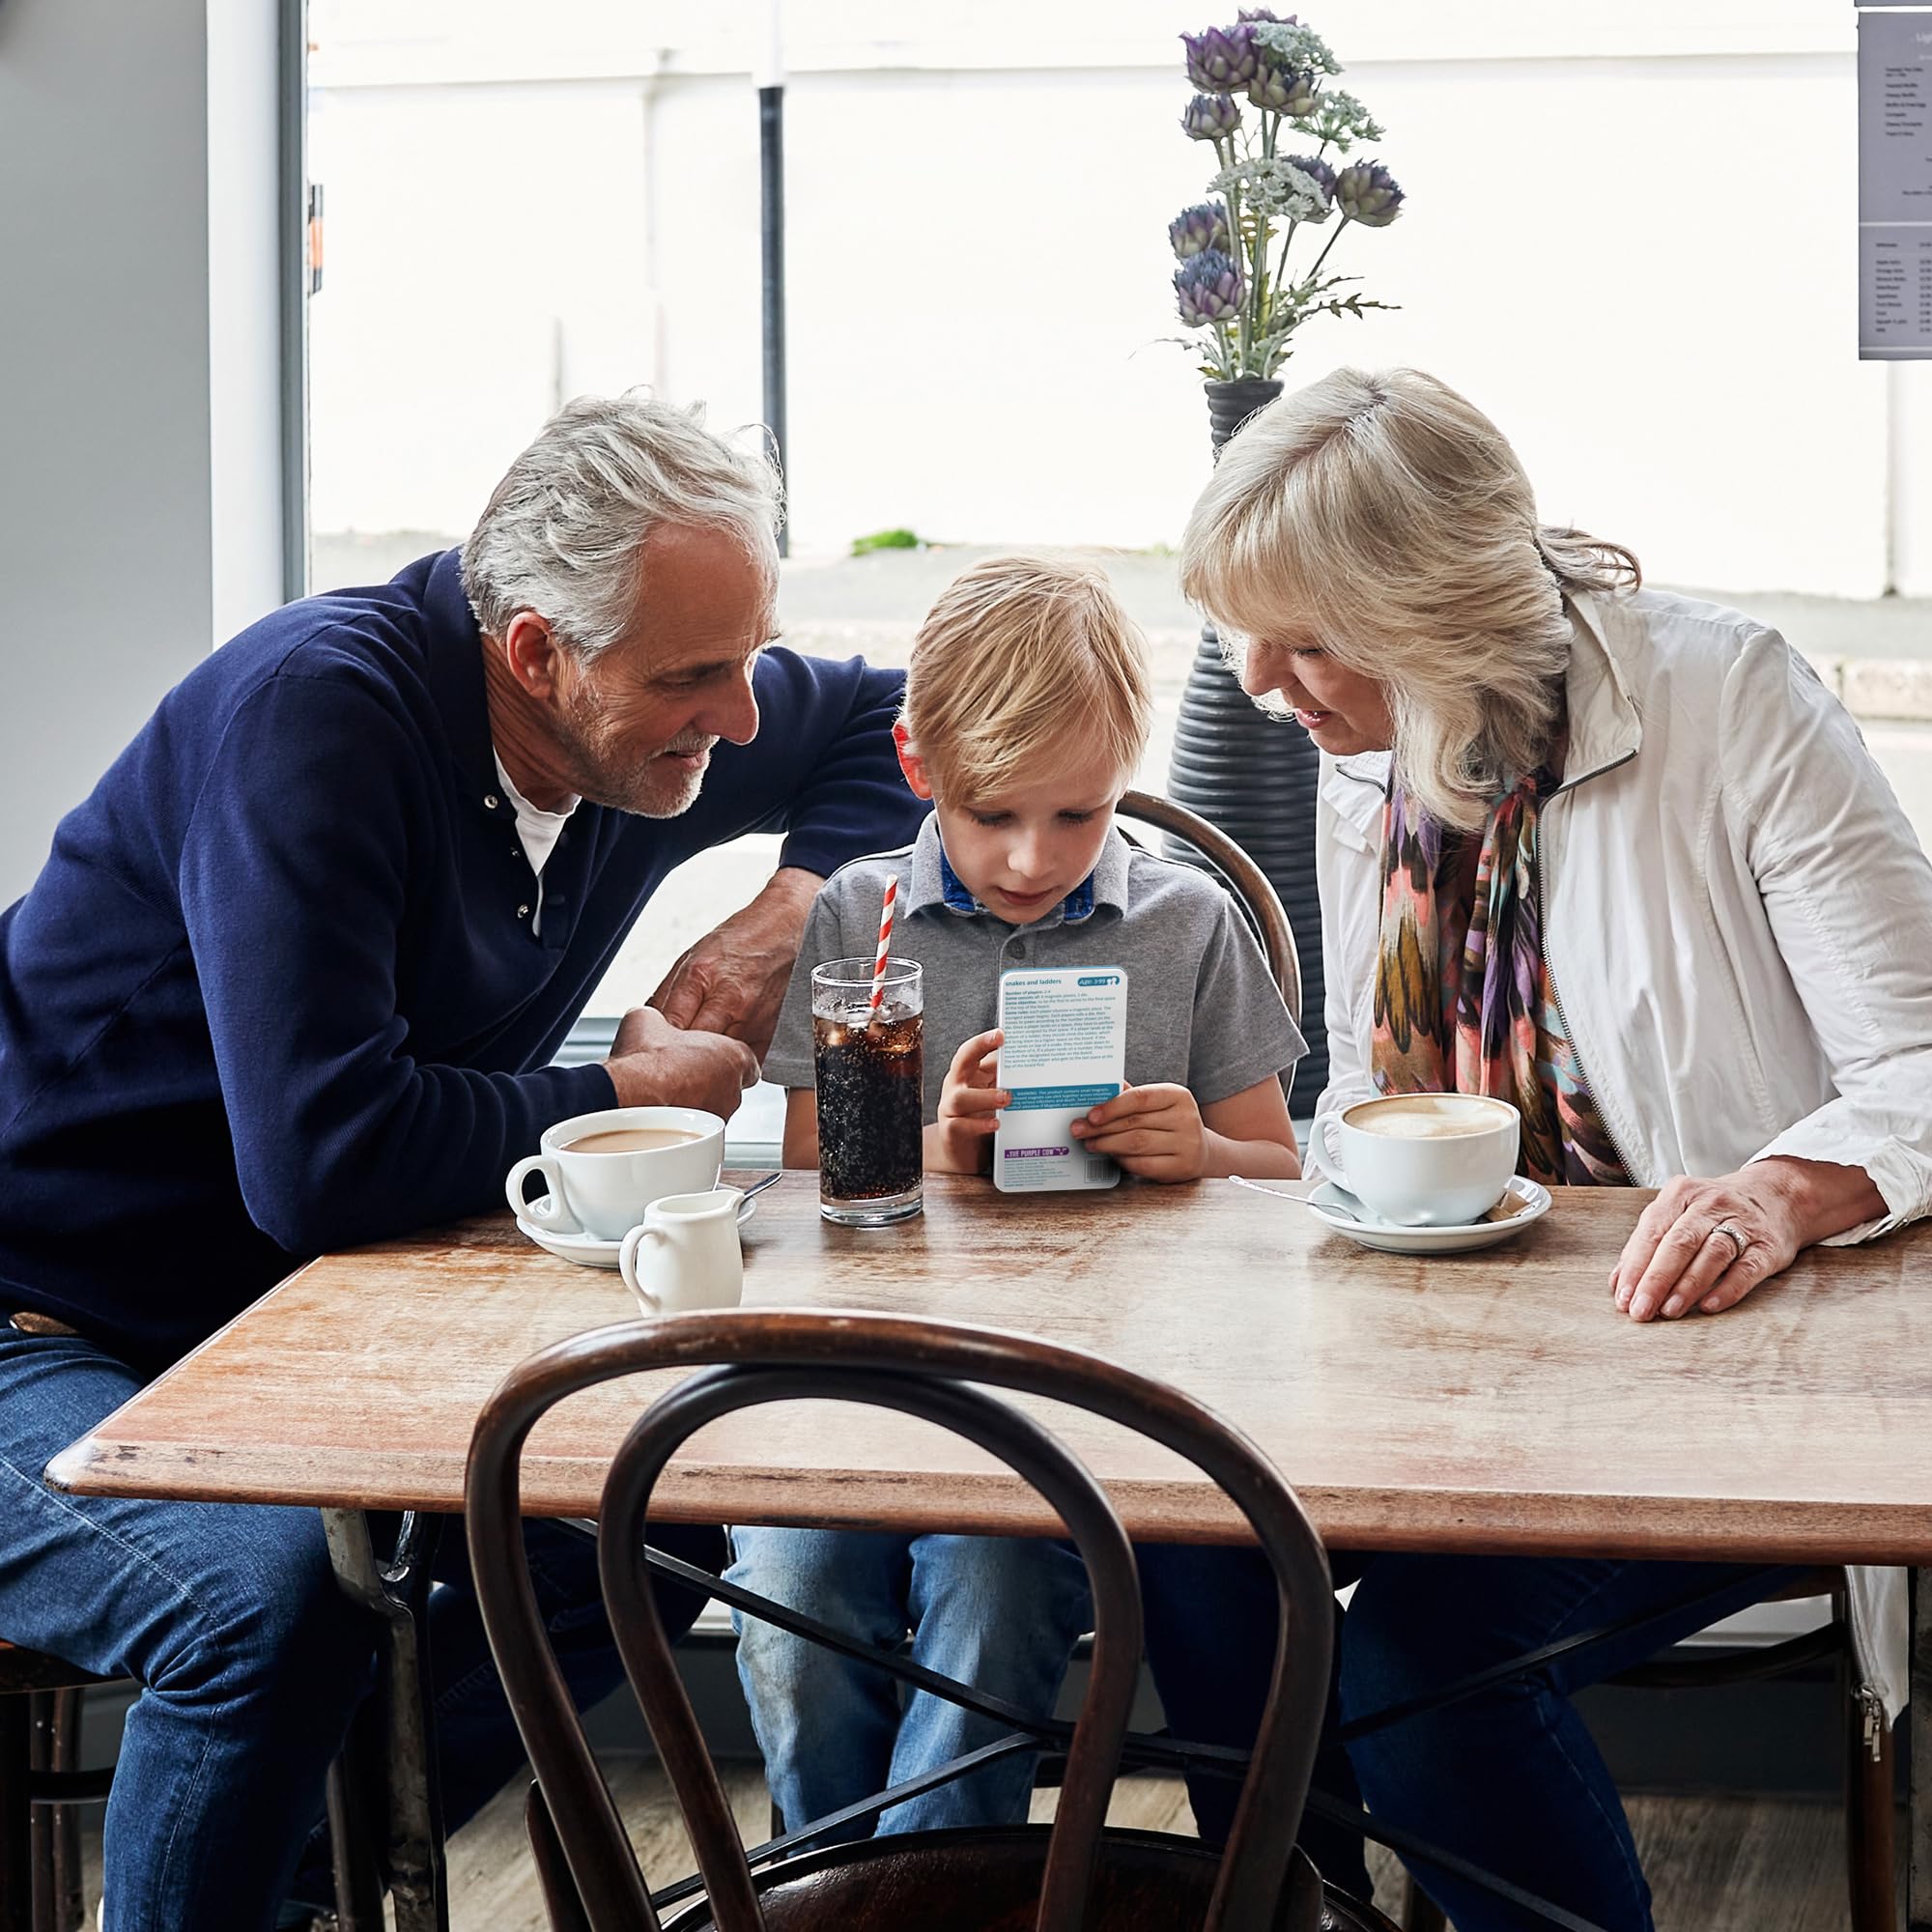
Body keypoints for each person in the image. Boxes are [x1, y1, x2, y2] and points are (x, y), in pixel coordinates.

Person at [0, 391, 926, 1931]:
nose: (743, 716)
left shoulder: (634, 727)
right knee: (263, 1610)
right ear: (538, 654)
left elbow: (895, 716)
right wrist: (616, 1090)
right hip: (38, 1318)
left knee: (648, 1521)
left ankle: (303, 1883)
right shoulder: (320, 719)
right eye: (695, 678)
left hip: (259, 1327)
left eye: (749, 657)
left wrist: (786, 913)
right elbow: (326, 1160)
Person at [1178, 365, 1932, 1931]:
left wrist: (1779, 1194)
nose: (1257, 681)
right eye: (1247, 635)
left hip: (1710, 1371)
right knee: (1186, 1550)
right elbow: (1371, 1088)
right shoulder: (1369, 744)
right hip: (1437, 1373)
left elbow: (1922, 1060)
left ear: (1430, 616)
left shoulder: (1731, 701)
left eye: (1304, 638)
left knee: (1420, 1658)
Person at [729, 552, 1306, 1847]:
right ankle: (829, 1890)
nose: (1033, 858)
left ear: (1123, 779)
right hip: (856, 1389)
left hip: (1081, 1399)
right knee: (791, 1591)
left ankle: (932, 1889)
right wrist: (930, 1156)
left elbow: (1285, 1179)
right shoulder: (859, 920)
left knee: (998, 1592)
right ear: (918, 766)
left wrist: (1205, 1156)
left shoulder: (1188, 921)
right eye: (991, 814)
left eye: (1079, 815)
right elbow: (805, 1186)